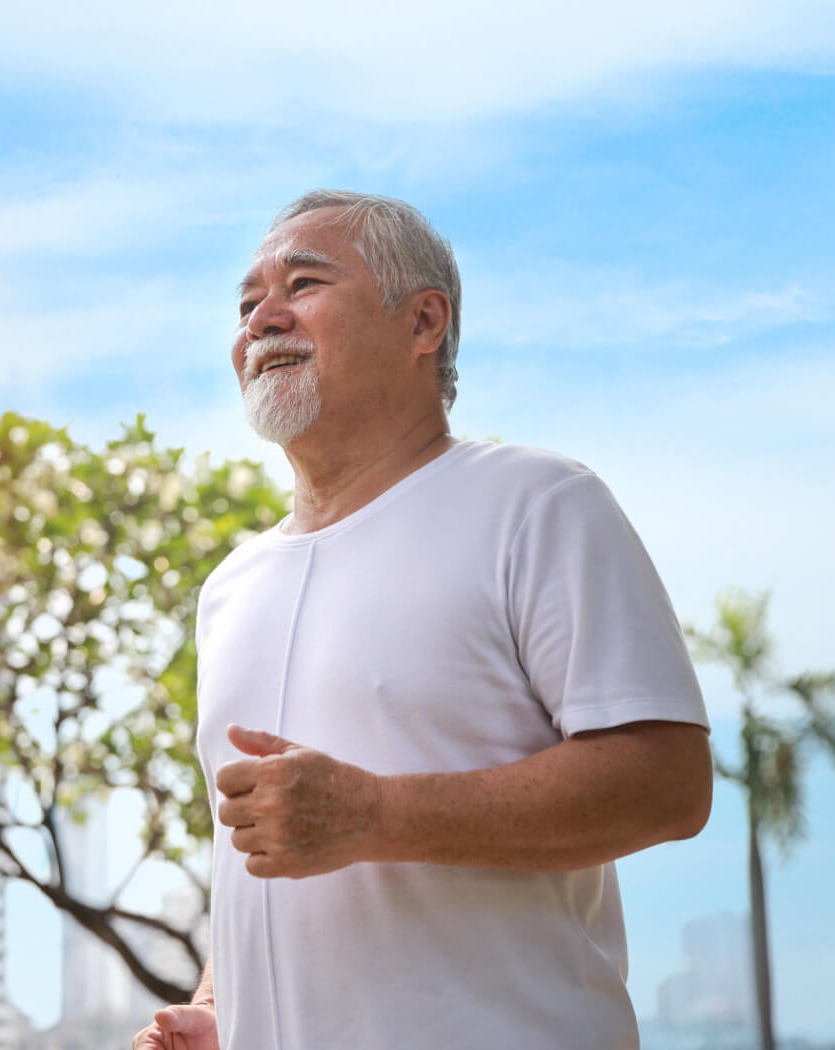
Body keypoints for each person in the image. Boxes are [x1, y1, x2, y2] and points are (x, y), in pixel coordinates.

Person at [133, 190, 713, 1049]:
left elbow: (668, 783)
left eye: (304, 284)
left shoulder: (538, 502)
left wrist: (374, 814)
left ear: (424, 323)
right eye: (248, 302)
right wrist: (221, 1003)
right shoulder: (229, 588)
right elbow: (257, 851)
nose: (263, 319)